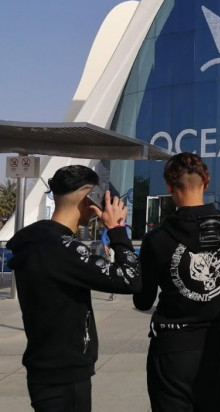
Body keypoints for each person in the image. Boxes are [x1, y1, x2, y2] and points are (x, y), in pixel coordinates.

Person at [6, 165, 141, 412]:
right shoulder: (63, 249)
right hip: (64, 375)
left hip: (47, 367)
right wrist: (117, 230)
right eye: (99, 196)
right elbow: (129, 279)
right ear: (85, 198)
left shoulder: (42, 242)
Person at [133, 152, 220, 412]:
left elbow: (143, 300)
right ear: (206, 183)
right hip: (212, 345)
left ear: (169, 186)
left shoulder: (157, 238)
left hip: (171, 347)